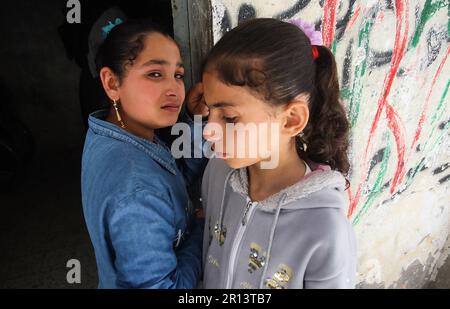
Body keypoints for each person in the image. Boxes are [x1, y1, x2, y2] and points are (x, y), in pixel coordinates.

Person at [200, 18, 357, 289]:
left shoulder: (325, 229)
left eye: (228, 117)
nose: (208, 131)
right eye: (208, 110)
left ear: (291, 120)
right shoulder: (218, 172)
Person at [81, 19, 208, 288]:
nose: (174, 89)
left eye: (178, 75)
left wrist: (196, 121)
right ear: (112, 82)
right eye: (154, 74)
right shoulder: (136, 191)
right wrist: (202, 231)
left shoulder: (113, 132)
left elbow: (171, 183)